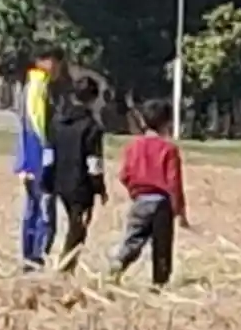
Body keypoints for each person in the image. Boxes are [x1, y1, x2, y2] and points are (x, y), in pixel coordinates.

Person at [109, 99, 189, 288]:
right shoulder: (169, 149)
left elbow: (125, 174)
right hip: (162, 202)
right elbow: (174, 182)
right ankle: (158, 283)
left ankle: (120, 261)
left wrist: (135, 191)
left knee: (134, 237)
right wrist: (180, 211)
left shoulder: (132, 146)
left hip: (140, 199)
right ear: (167, 123)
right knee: (162, 246)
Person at [14, 42, 65, 272]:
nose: (58, 69)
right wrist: (46, 153)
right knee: (44, 213)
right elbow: (36, 125)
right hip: (39, 161)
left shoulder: (33, 84)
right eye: (57, 63)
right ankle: (35, 258)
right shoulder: (38, 86)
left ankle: (29, 258)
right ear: (45, 61)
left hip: (30, 160)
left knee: (32, 210)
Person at [50, 76, 108, 272]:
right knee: (78, 228)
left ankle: (66, 266)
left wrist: (48, 181)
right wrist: (99, 187)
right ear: (93, 99)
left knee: (73, 225)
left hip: (60, 181)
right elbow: (94, 161)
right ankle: (65, 268)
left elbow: (49, 153)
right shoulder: (91, 126)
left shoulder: (57, 122)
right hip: (81, 185)